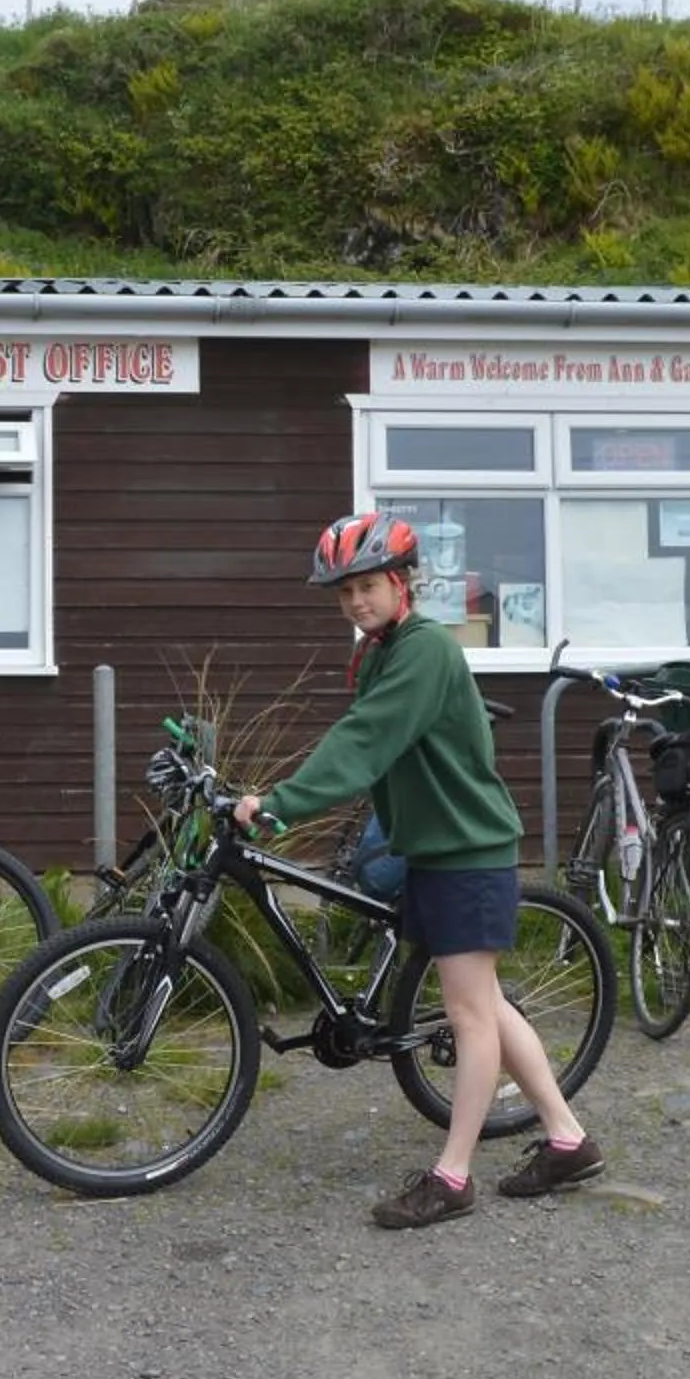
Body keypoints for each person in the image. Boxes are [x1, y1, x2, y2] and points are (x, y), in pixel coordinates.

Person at [233, 509, 601, 1228]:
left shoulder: (424, 651)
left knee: (469, 1014)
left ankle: (453, 1177)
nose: (356, 602)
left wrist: (280, 804)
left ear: (403, 583)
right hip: (436, 850)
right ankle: (568, 1140)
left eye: (367, 585)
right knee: (487, 1004)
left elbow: (366, 739)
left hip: (467, 853)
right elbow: (374, 746)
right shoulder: (382, 651)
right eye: (344, 593)